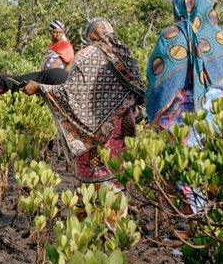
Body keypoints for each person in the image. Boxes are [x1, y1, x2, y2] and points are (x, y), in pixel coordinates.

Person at [145, 0, 223, 214]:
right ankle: (208, 219)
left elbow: (159, 74)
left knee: (184, 163)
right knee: (210, 162)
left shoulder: (171, 35)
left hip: (181, 113)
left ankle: (194, 219)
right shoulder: (219, 36)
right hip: (216, 111)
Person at [23, 18, 144, 184]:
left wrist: (41, 88)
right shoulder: (126, 56)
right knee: (117, 169)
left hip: (94, 132)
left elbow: (68, 91)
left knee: (94, 177)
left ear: (92, 35)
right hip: (122, 126)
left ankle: (92, 206)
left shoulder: (87, 56)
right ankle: (116, 207)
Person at [0, 20, 74, 93]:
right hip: (44, 76)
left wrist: (63, 77)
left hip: (53, 78)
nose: (57, 35)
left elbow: (71, 62)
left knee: (20, 81)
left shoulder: (66, 45)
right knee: (23, 83)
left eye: (60, 32)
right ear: (50, 32)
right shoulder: (50, 46)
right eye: (55, 32)